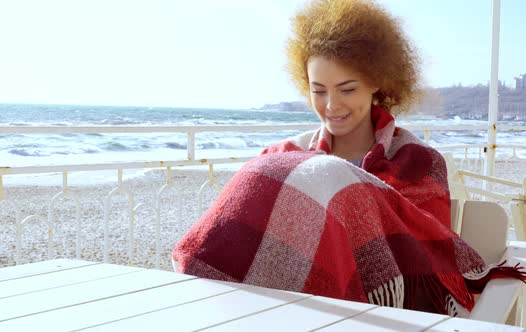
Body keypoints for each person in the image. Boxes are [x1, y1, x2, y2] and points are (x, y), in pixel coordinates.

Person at [173, 0, 524, 316]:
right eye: (318, 90)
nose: (331, 106)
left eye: (347, 89)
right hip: (279, 312)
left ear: (377, 83)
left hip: (381, 315)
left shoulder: (417, 162)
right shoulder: (284, 156)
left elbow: (418, 259)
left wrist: (335, 184)